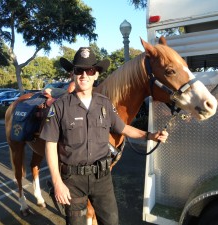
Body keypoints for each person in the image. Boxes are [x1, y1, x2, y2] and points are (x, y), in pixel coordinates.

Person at [40, 47, 168, 225]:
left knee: (111, 222)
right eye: (79, 70)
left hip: (102, 178)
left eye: (89, 70)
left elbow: (123, 128)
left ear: (96, 74)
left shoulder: (105, 104)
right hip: (72, 180)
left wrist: (150, 135)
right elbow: (50, 145)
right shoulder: (60, 107)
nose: (84, 75)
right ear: (73, 74)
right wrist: (57, 183)